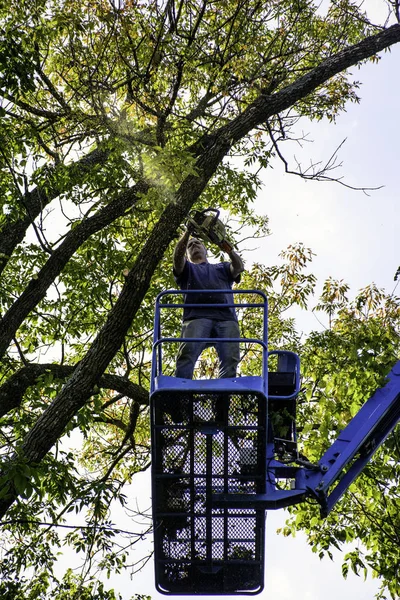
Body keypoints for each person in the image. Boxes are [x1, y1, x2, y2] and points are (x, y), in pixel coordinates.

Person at [173, 226, 245, 380]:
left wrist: (225, 246)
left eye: (197, 243)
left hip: (226, 318)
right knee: (187, 354)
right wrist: (187, 233)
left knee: (230, 360)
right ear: (187, 253)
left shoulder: (222, 267)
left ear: (205, 249)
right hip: (197, 318)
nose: (194, 246)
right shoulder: (187, 269)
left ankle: (223, 401)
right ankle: (180, 397)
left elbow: (239, 267)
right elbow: (177, 260)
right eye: (190, 246)